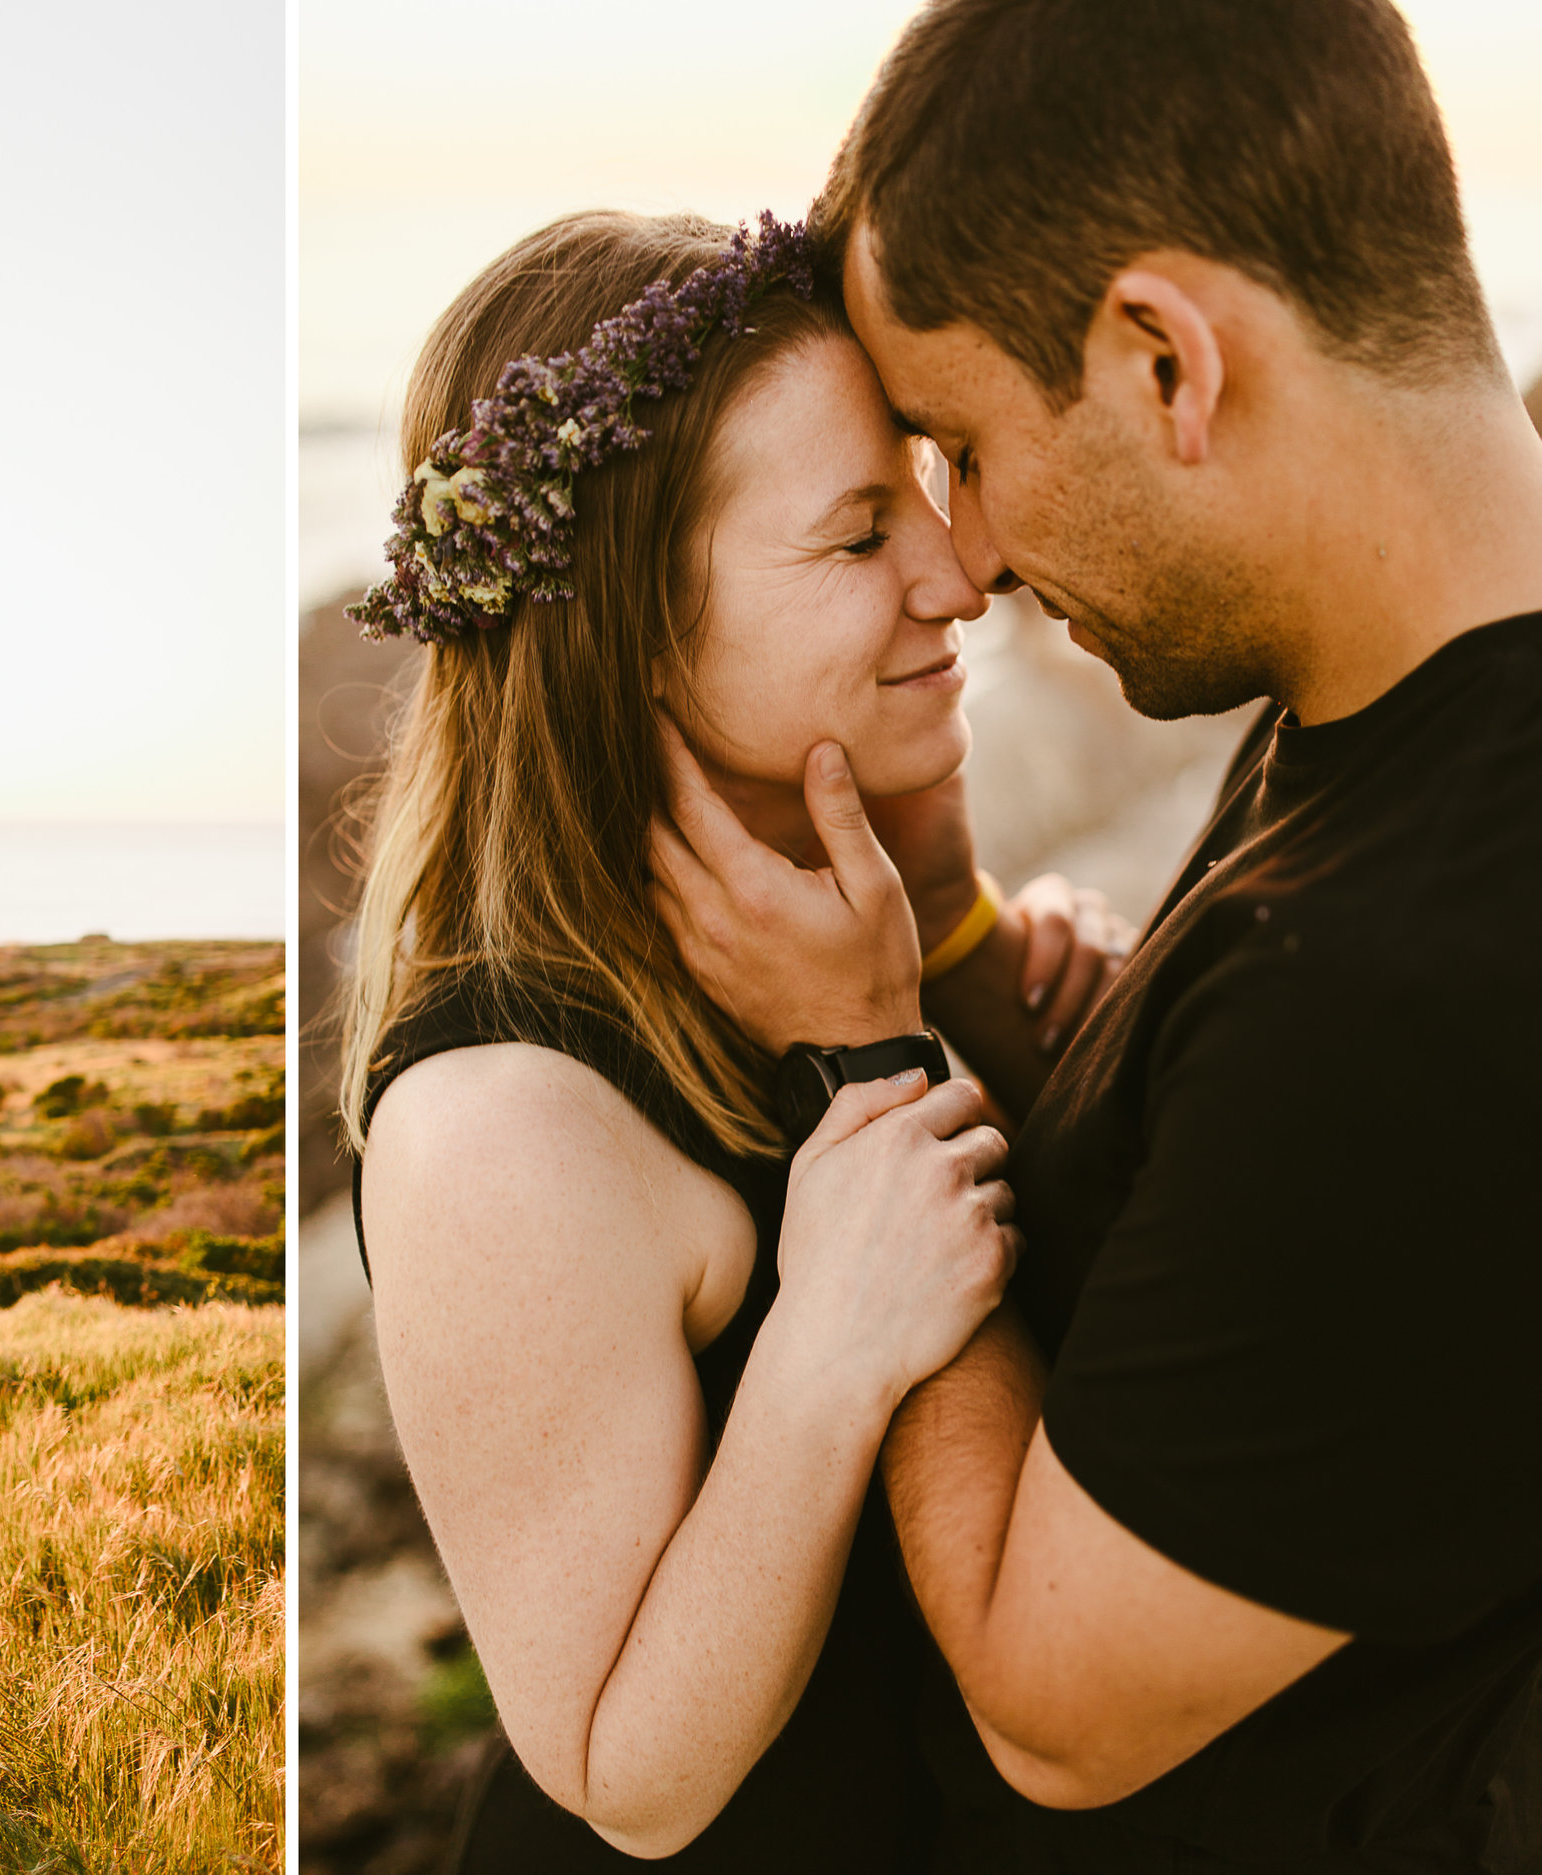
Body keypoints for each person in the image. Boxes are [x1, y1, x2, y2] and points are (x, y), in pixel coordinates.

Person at [647, 1, 1542, 1867]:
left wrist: (865, 1060)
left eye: (963, 442)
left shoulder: (1418, 988)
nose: (961, 562)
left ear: (1164, 361)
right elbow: (1268, 1235)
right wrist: (968, 942)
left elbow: (1052, 1714)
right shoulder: (1401, 697)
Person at [337, 208, 1107, 1867]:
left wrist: (960, 955)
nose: (959, 572)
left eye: (924, 483)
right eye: (854, 538)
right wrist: (832, 1342)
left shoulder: (857, 934)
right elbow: (630, 1771)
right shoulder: (502, 1125)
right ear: (631, 621)